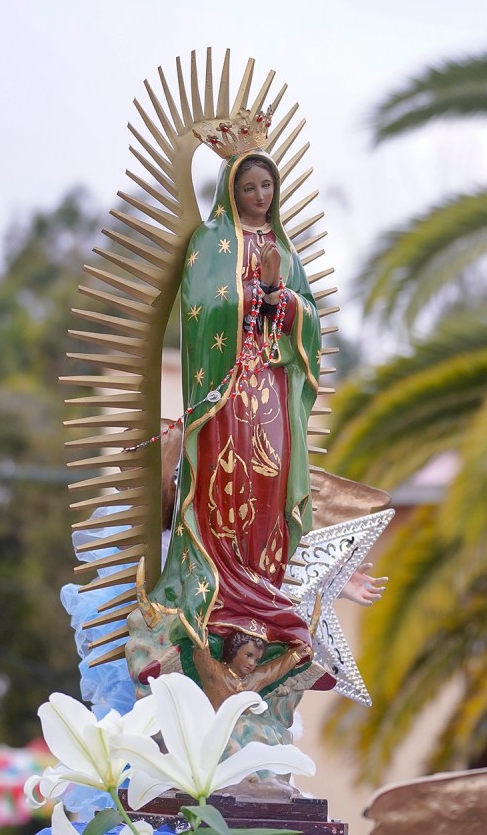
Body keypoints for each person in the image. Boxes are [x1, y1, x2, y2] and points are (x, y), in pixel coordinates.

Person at [147, 143, 328, 700]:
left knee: (268, 488)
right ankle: (217, 604)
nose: (260, 196)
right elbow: (200, 305)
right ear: (231, 191)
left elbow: (309, 318)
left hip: (271, 389)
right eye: (249, 187)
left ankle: (263, 600)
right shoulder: (210, 241)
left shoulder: (285, 249)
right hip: (225, 392)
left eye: (266, 187)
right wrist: (252, 297)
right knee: (223, 489)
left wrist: (284, 301)